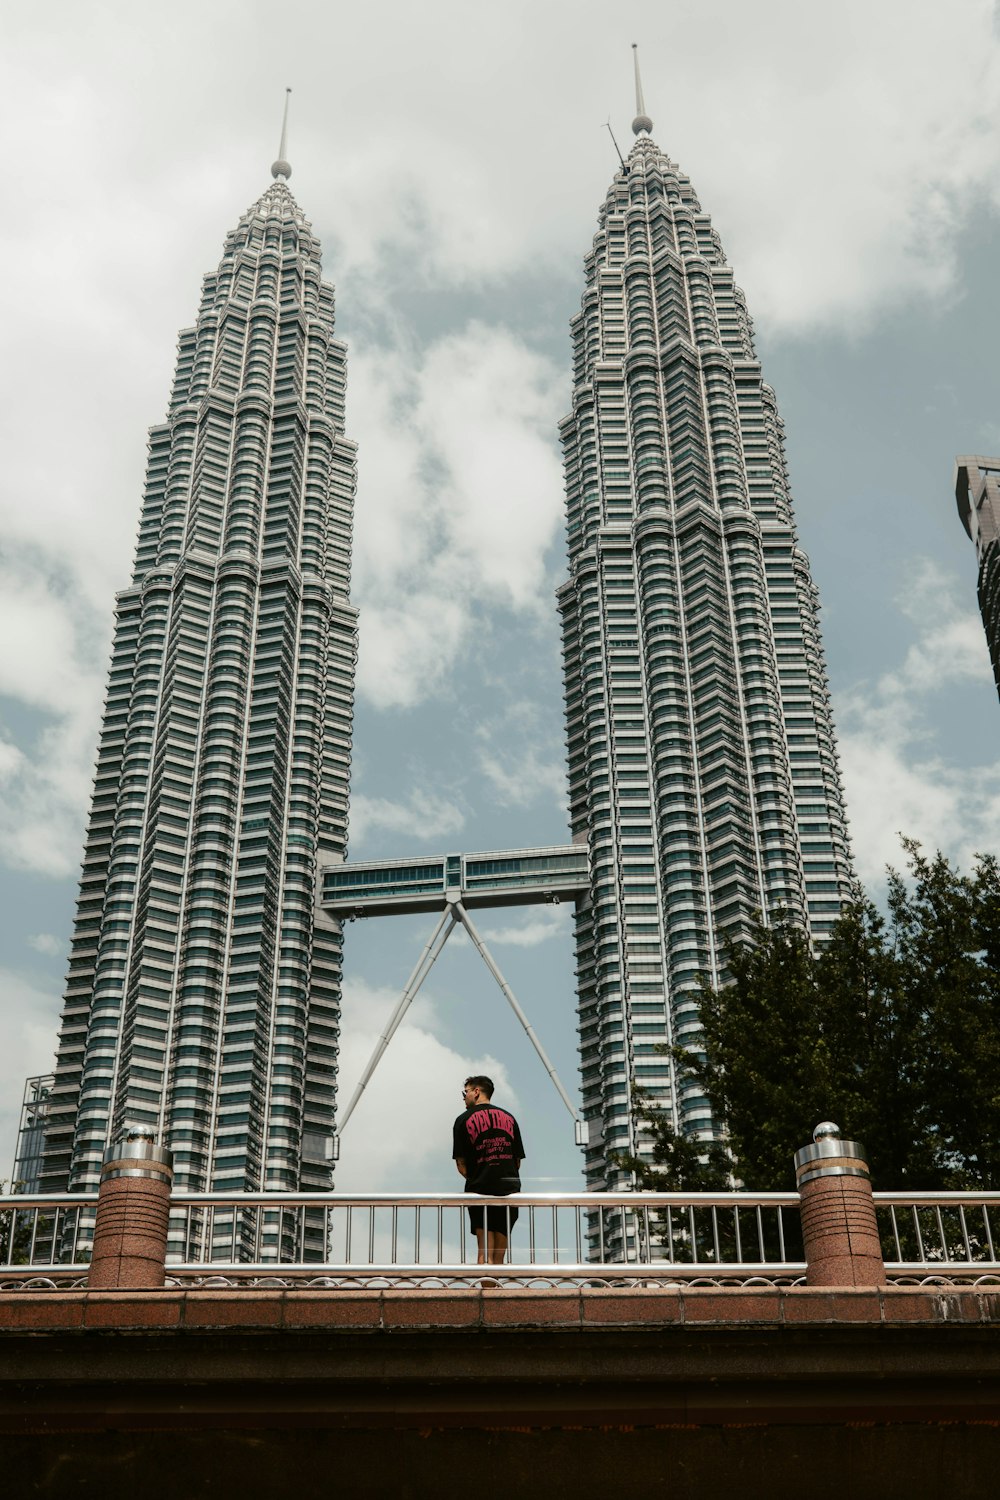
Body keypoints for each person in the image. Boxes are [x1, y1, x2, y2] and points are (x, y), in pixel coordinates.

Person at [452, 1075, 525, 1273]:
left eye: (465, 1092)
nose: (464, 1097)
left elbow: (461, 1164)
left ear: (476, 1092)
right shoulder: (509, 1118)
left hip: (479, 1191)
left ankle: (486, 1298)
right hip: (508, 1190)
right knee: (499, 1255)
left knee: (484, 1254)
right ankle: (497, 1300)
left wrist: (478, 1177)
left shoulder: (462, 1120)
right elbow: (517, 1160)